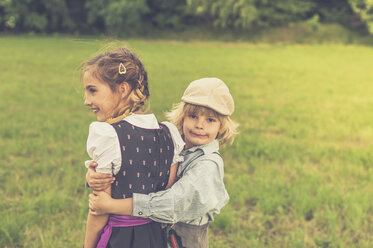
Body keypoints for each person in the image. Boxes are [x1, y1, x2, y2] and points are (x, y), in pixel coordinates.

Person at [87, 77, 238, 248]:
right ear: (182, 117)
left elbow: (173, 204)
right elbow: (134, 163)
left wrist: (112, 205)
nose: (200, 125)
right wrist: (96, 175)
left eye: (210, 120)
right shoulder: (173, 144)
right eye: (193, 116)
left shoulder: (209, 165)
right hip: (156, 232)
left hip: (185, 239)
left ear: (222, 126)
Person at [82, 47, 184, 248]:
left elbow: (99, 211)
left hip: (120, 239)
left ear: (122, 89)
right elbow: (166, 192)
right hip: (156, 236)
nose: (86, 101)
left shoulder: (109, 136)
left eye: (92, 90)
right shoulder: (169, 134)